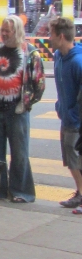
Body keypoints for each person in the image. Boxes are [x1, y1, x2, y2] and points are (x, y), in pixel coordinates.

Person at [0, 15, 45, 203]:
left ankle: (21, 192)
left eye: (7, 31)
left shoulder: (30, 53)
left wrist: (26, 104)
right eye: (2, 30)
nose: (3, 33)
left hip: (17, 112)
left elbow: (39, 85)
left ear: (17, 31)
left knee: (19, 154)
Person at [49, 18, 82, 211]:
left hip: (75, 120)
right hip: (66, 116)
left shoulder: (77, 62)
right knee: (70, 158)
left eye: (51, 34)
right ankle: (79, 192)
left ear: (61, 36)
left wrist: (73, 114)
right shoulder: (58, 57)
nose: (49, 37)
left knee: (75, 157)